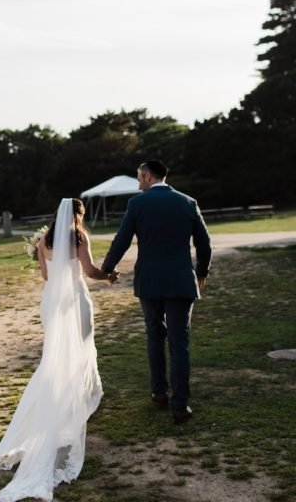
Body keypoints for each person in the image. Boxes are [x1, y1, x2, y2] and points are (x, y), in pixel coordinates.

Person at [0, 198, 118, 502]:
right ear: (79, 215)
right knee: (82, 350)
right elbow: (89, 271)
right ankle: (76, 401)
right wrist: (109, 276)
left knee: (55, 358)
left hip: (52, 303)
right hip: (75, 300)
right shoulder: (80, 237)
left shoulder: (43, 241)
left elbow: (47, 277)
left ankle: (60, 403)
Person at [100, 160, 212, 424]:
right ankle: (180, 405)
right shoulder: (188, 202)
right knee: (179, 342)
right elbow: (204, 243)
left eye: (139, 177)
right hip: (181, 282)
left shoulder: (137, 204)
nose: (138, 183)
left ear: (148, 176)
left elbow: (122, 240)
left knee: (154, 335)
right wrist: (202, 272)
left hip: (149, 282)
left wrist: (108, 268)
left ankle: (159, 392)